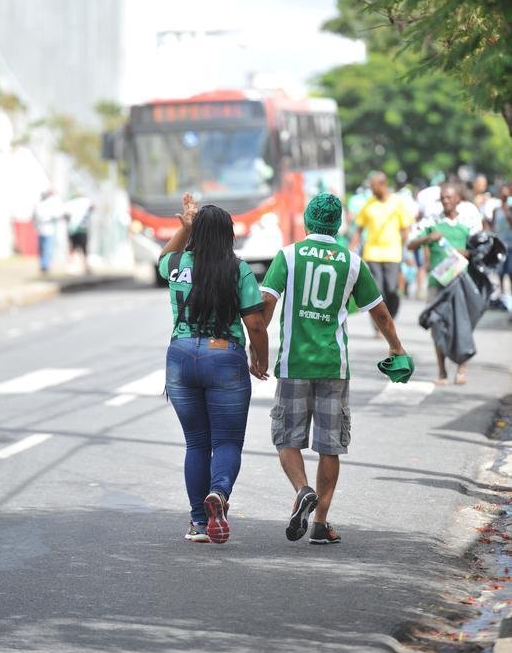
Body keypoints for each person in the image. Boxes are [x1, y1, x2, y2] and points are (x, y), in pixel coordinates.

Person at [258, 193, 407, 544]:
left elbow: (266, 304)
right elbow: (380, 313)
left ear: (308, 220)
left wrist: (257, 348)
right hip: (333, 366)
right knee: (330, 446)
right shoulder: (352, 262)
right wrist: (396, 347)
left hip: (294, 364)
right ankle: (320, 524)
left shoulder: (288, 256)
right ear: (337, 225)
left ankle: (302, 490)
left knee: (286, 438)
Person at [158, 193, 269, 544]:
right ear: (228, 235)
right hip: (223, 357)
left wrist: (185, 228)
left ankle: (198, 523)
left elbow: (162, 258)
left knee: (196, 443)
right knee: (227, 441)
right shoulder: (238, 269)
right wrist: (260, 358)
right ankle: (218, 493)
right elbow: (255, 323)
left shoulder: (177, 263)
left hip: (180, 356)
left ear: (196, 234)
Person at [408, 183, 478, 385]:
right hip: (437, 282)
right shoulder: (432, 221)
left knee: (462, 325)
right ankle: (441, 371)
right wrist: (428, 238)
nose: (446, 201)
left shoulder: (468, 223)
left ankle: (462, 368)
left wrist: (466, 253)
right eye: (443, 198)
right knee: (436, 325)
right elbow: (411, 244)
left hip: (460, 282)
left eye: (449, 197)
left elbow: (478, 249)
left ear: (458, 199)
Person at [350, 172, 413, 319]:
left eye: (373, 186)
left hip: (393, 253)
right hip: (372, 253)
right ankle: (379, 321)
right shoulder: (369, 204)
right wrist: (351, 247)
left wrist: (405, 250)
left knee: (391, 289)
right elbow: (359, 229)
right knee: (377, 290)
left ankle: (391, 314)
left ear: (383, 185)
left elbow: (405, 229)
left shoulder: (397, 203)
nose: (371, 189)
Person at [32, 188, 64, 274]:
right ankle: (44, 265)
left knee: (45, 249)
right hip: (45, 230)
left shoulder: (42, 205)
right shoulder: (41, 205)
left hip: (45, 230)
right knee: (45, 249)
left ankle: (45, 265)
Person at [65, 191, 93, 273]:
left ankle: (79, 266)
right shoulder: (86, 201)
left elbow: (65, 214)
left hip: (74, 229)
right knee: (82, 249)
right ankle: (82, 266)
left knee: (74, 248)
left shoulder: (71, 203)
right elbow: (93, 207)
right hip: (80, 229)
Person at [492, 183, 512, 294]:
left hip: (511, 245)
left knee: (511, 271)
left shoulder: (510, 208)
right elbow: (494, 227)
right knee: (500, 272)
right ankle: (503, 294)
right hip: (500, 245)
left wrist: (507, 211)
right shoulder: (496, 210)